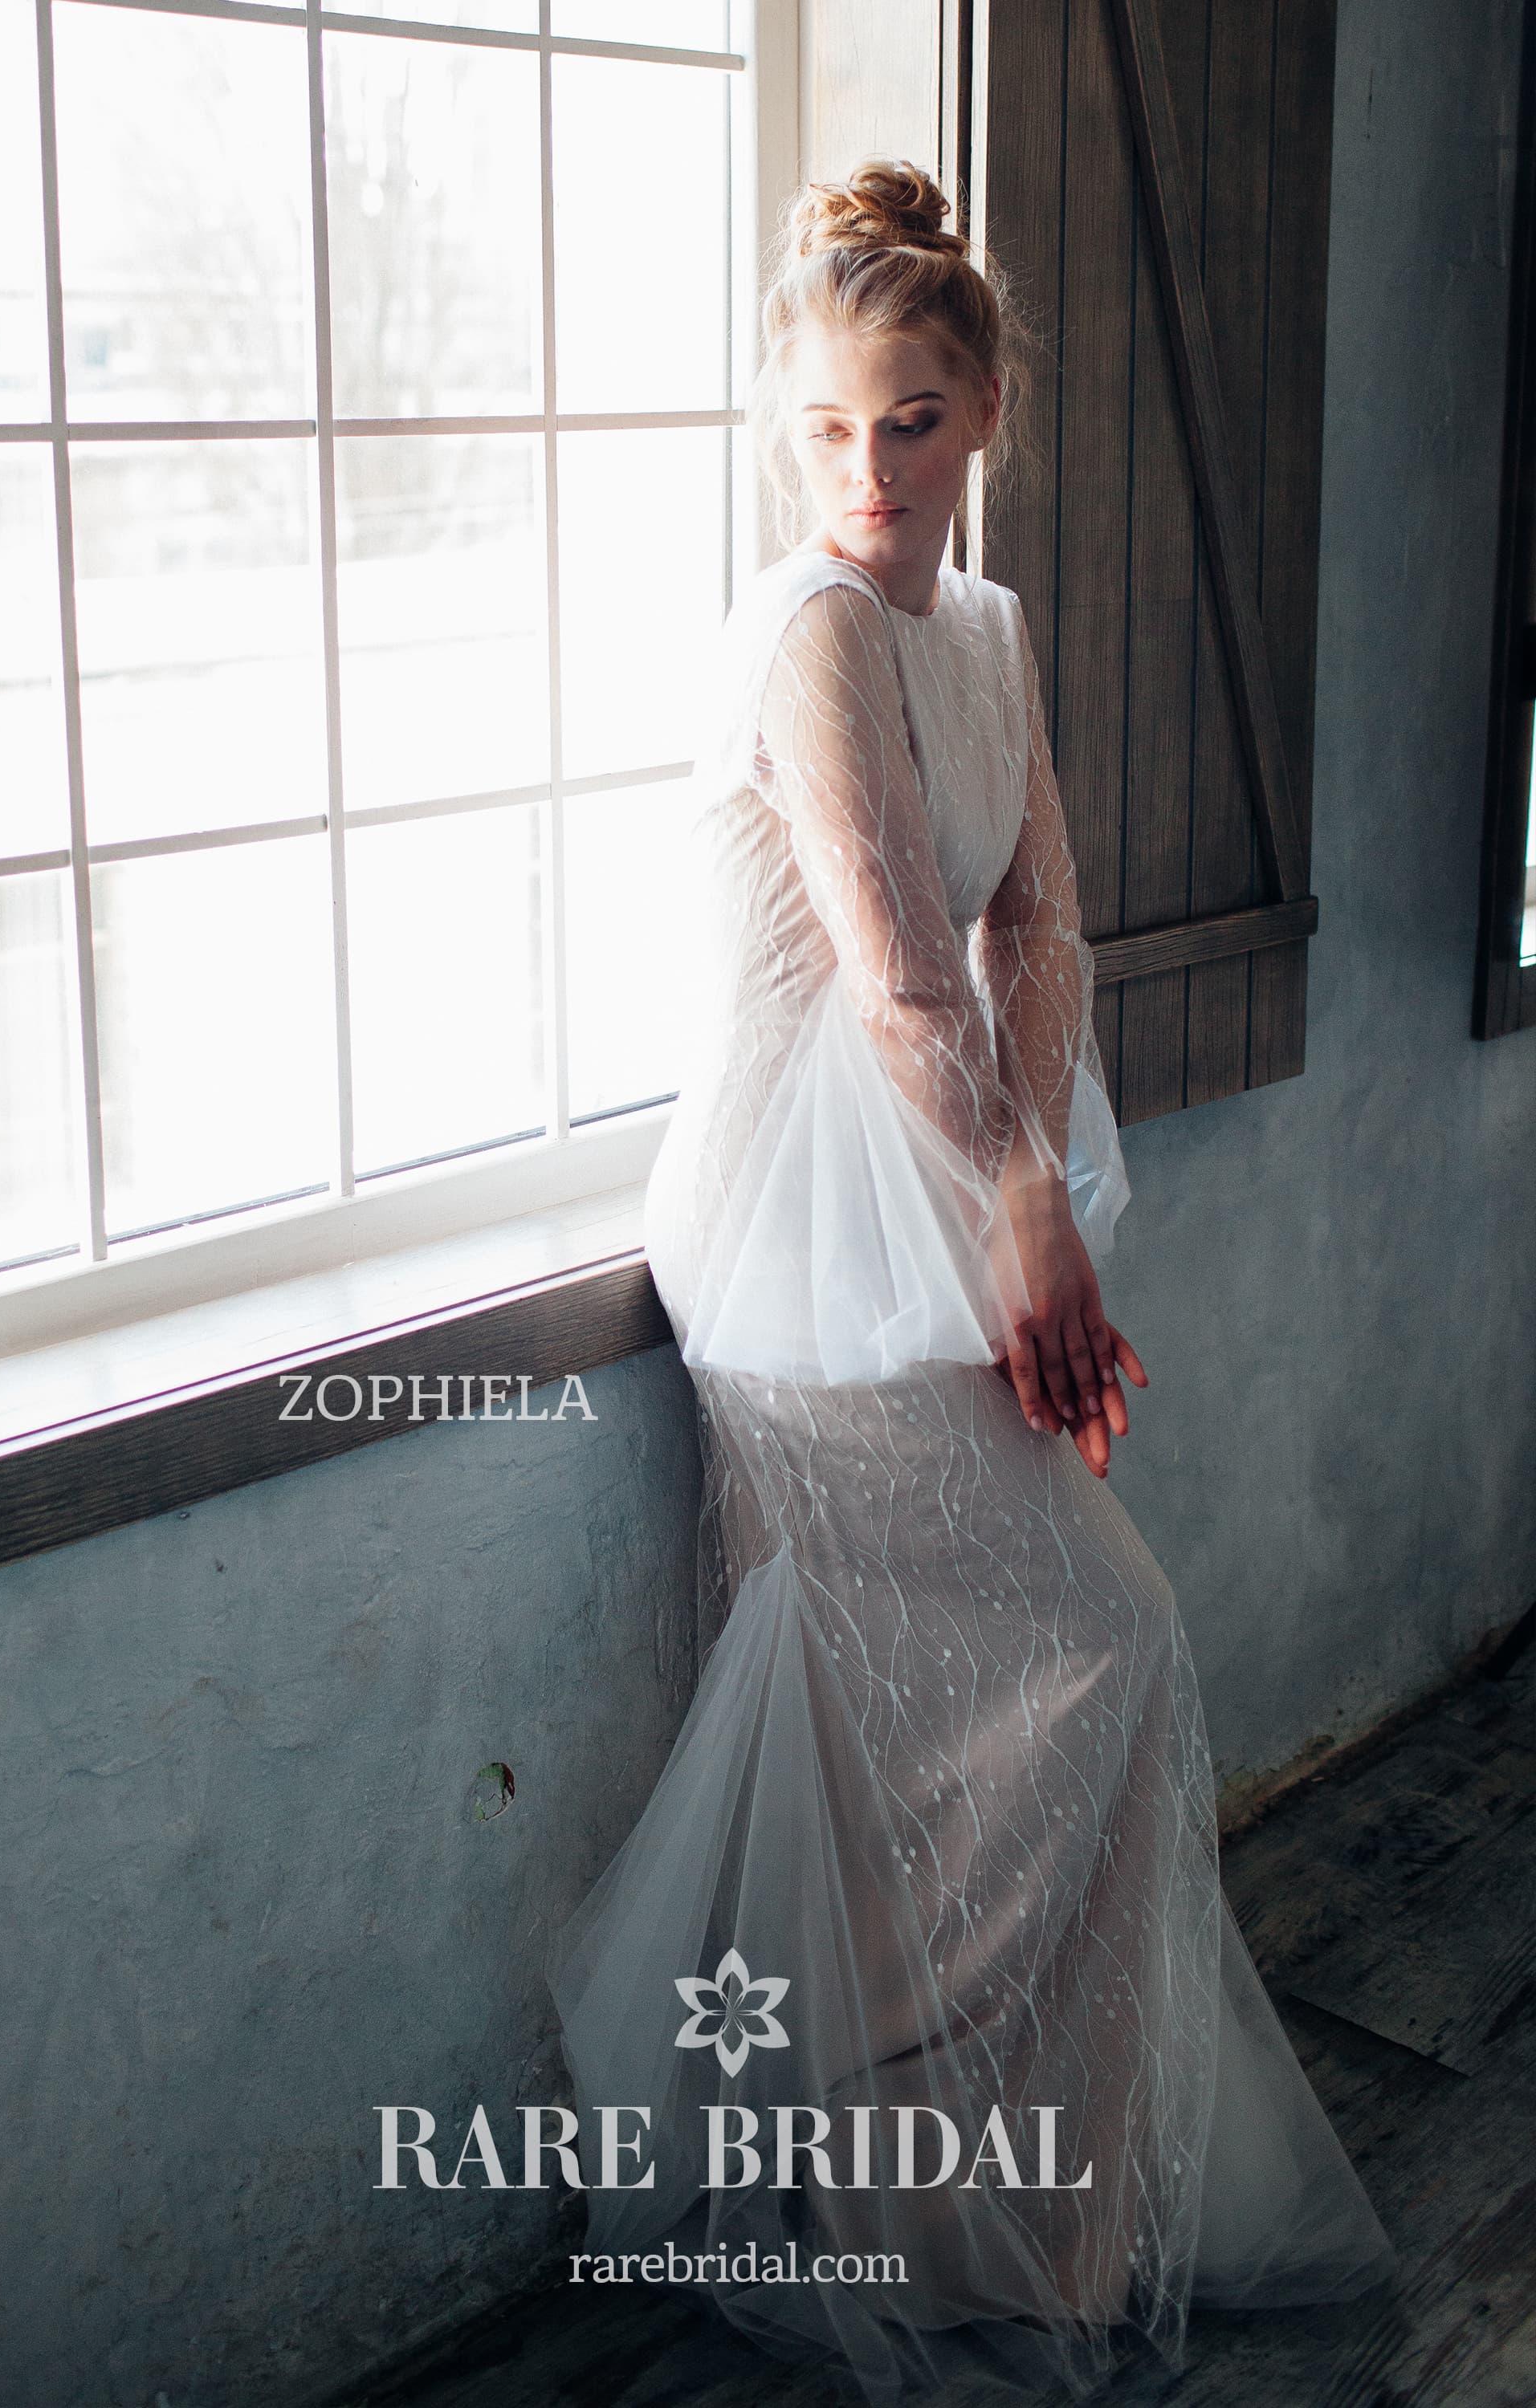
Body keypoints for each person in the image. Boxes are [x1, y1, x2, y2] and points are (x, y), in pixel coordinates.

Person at [547, 159, 1397, 2406]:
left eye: (912, 420)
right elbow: (900, 973)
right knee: (1085, 1655)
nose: (869, 470)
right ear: (783, 431)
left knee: (984, 1716)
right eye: (828, 426)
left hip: (937, 1205)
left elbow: (1041, 926)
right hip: (794, 1247)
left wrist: (1023, 1206)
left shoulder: (988, 633)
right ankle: (907, 2199)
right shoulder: (806, 631)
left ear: (986, 413)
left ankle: (1016, 2214)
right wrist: (1023, 1212)